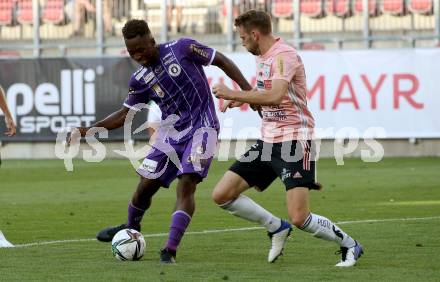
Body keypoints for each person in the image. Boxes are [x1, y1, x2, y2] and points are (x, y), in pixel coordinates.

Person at [68, 19, 252, 263]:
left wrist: (249, 92)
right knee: (145, 186)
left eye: (141, 49)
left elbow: (222, 61)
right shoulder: (140, 78)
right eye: (132, 52)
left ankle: (170, 249)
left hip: (203, 128)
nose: (138, 55)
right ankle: (131, 229)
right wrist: (88, 130)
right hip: (169, 135)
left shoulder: (183, 49)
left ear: (152, 41)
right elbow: (125, 115)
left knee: (186, 183)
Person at [211, 10, 363, 267]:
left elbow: (275, 95)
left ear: (255, 34)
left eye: (243, 37)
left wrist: (232, 91)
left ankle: (350, 245)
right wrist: (238, 100)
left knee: (299, 216)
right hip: (268, 141)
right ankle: (275, 227)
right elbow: (264, 92)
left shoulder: (284, 56)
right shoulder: (263, 57)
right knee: (222, 194)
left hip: (294, 141)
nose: (242, 42)